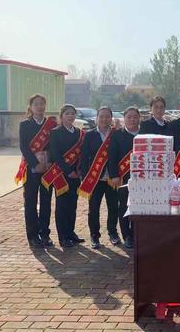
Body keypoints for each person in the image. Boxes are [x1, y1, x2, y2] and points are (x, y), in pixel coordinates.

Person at [16, 94, 56, 248]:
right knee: (31, 202)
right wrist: (35, 163)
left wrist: (50, 161)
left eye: (42, 104)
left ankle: (45, 234)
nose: (40, 107)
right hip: (31, 168)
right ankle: (33, 235)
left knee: (46, 202)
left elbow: (54, 145)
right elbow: (23, 147)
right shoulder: (25, 125)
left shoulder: (51, 124)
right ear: (31, 107)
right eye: (36, 104)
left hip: (47, 168)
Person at [79, 106, 120, 249]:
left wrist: (117, 174)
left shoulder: (116, 134)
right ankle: (94, 236)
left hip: (112, 178)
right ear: (96, 118)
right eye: (101, 116)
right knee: (94, 209)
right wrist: (85, 177)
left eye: (107, 116)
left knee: (113, 207)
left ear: (111, 118)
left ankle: (113, 233)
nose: (104, 119)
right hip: (95, 178)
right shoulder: (89, 135)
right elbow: (84, 158)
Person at [45, 104, 85, 248]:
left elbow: (82, 154)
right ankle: (63, 237)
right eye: (67, 113)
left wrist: (79, 170)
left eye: (72, 113)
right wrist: (68, 171)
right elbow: (55, 154)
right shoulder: (55, 132)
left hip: (76, 174)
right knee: (62, 206)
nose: (70, 116)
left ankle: (70, 232)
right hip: (61, 174)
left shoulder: (79, 133)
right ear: (61, 116)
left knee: (72, 205)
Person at [108, 106, 141, 249]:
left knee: (139, 206)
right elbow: (112, 157)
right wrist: (114, 175)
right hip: (123, 177)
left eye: (135, 117)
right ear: (124, 118)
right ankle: (127, 235)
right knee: (124, 206)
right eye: (129, 117)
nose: (132, 119)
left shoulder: (144, 134)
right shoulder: (117, 135)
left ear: (139, 118)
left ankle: (137, 233)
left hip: (142, 178)